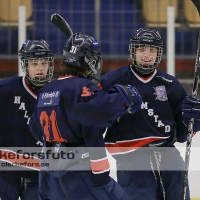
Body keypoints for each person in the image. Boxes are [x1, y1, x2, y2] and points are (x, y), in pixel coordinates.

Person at [29, 32, 142, 200]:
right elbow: (102, 111)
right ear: (90, 62)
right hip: (79, 176)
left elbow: (36, 128)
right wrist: (125, 96)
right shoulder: (82, 89)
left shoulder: (46, 90)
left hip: (49, 178)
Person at [98, 28, 200, 200]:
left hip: (169, 158)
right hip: (131, 160)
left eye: (152, 50)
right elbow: (95, 120)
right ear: (133, 51)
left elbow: (183, 135)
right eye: (142, 49)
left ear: (158, 53)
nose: (147, 55)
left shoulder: (169, 84)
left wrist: (193, 121)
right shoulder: (113, 81)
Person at [0, 39, 54, 200]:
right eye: (34, 63)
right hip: (5, 174)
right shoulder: (5, 89)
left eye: (43, 63)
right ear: (25, 65)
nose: (39, 68)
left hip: (39, 177)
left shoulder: (58, 94)